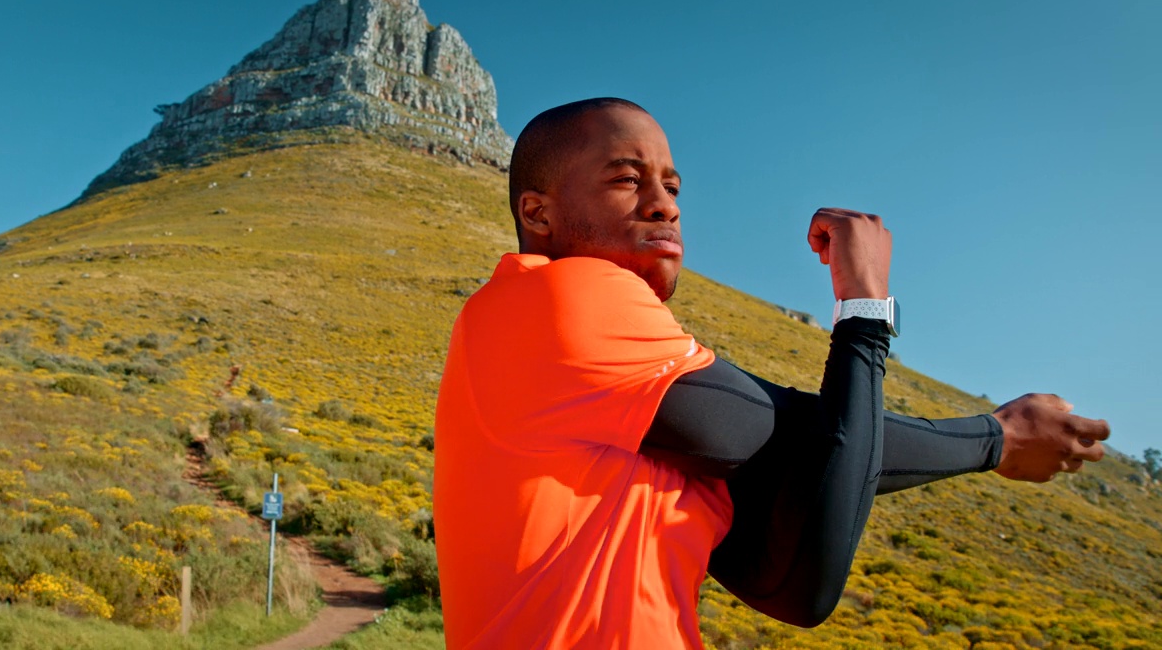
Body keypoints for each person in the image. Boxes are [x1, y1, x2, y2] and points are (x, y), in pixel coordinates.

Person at [432, 98, 1110, 649]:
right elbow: (796, 438)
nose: (664, 203)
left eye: (671, 185)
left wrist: (995, 439)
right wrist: (867, 309)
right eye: (625, 178)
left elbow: (795, 579)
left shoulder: (620, 417)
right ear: (538, 212)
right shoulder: (561, 293)